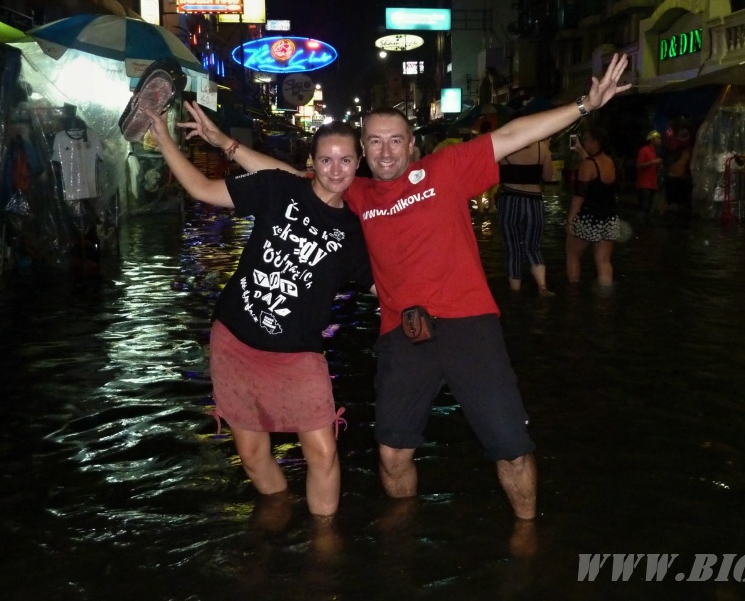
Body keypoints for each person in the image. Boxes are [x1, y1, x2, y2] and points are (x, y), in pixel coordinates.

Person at [179, 53, 632, 521]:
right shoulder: (356, 193)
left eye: (395, 140)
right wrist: (226, 144)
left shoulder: (445, 169)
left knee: (512, 449)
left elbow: (512, 136)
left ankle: (526, 535)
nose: (386, 151)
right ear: (362, 151)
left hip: (470, 325)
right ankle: (401, 540)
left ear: (411, 144)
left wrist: (585, 105)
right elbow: (290, 179)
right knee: (392, 455)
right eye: (374, 142)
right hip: (403, 333)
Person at [146, 106, 374, 518]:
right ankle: (277, 516)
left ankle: (324, 542)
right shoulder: (279, 188)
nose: (336, 169)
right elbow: (202, 188)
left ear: (358, 162)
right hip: (237, 341)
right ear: (312, 161)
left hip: (299, 354)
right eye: (326, 159)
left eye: (345, 159)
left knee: (323, 452)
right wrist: (162, 135)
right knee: (252, 456)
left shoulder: (354, 232)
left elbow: (383, 287)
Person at [565, 126, 620, 292]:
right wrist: (582, 152)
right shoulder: (609, 161)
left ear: (596, 142)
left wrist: (570, 220)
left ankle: (573, 292)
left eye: (587, 140)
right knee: (603, 260)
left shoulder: (587, 165)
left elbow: (579, 196)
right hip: (609, 217)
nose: (584, 142)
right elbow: (595, 169)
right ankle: (605, 295)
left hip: (588, 217)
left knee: (573, 254)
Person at [497, 137, 554, 294]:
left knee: (513, 248)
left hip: (510, 200)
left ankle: (515, 291)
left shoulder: (504, 146)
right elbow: (548, 177)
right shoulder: (542, 148)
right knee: (533, 246)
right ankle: (542, 286)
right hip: (534, 202)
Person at [635, 130, 662, 214]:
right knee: (644, 207)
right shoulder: (644, 150)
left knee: (649, 209)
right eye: (658, 138)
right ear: (652, 140)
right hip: (644, 184)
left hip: (652, 183)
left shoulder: (654, 152)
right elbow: (639, 166)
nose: (660, 140)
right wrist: (653, 162)